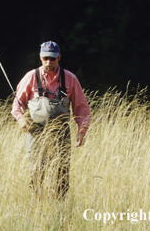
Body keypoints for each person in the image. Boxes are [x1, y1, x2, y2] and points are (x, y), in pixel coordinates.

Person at [11, 41, 91, 197]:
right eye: (46, 58)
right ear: (40, 57)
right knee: (36, 170)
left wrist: (82, 131)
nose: (49, 62)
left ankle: (60, 206)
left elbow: (82, 108)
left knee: (62, 171)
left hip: (61, 132)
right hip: (35, 132)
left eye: (52, 58)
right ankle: (38, 204)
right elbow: (17, 104)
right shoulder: (30, 77)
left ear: (59, 57)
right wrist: (20, 119)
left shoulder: (70, 78)